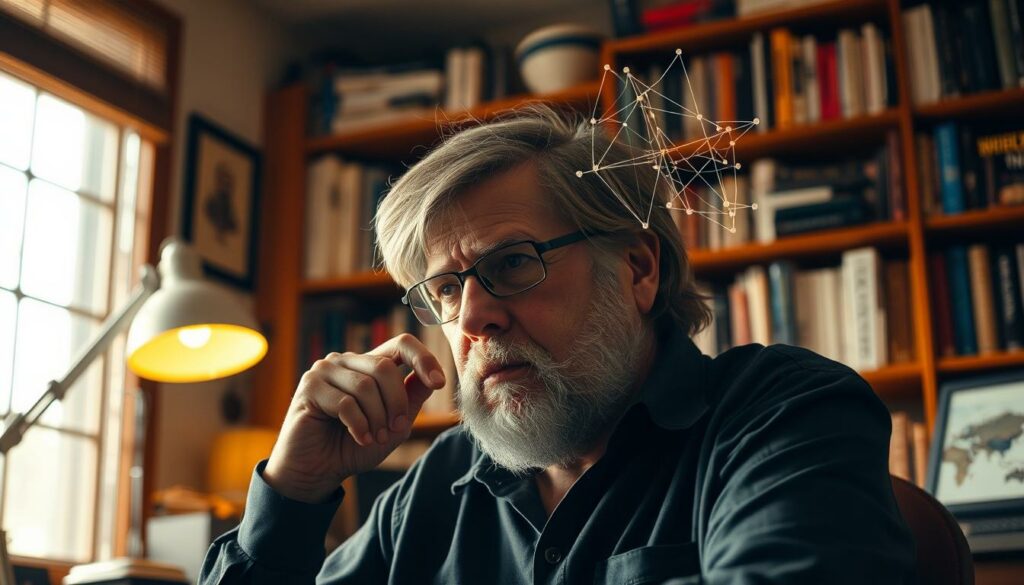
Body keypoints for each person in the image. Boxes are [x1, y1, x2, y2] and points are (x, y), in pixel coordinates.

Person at [200, 105, 916, 584]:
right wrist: (294, 490)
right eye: (445, 290)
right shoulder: (435, 487)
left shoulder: (782, 414)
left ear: (637, 269)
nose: (473, 318)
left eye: (513, 263)